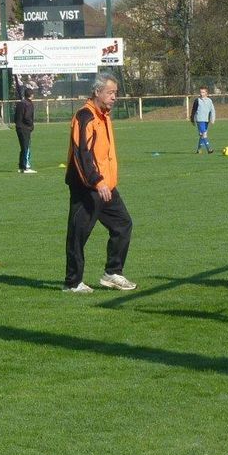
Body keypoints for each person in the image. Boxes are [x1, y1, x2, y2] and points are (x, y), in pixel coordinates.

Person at [63, 72, 136, 294]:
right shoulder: (85, 116)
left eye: (116, 93)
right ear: (97, 92)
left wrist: (107, 182)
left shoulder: (104, 116)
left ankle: (113, 273)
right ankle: (72, 283)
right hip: (89, 187)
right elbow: (82, 153)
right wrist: (97, 181)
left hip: (107, 186)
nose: (114, 97)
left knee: (123, 224)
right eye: (110, 93)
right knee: (79, 234)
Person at [13, 87, 36, 173]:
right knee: (27, 147)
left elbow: (15, 116)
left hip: (18, 128)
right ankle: (26, 166)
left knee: (23, 147)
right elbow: (27, 117)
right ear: (32, 95)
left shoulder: (20, 103)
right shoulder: (29, 104)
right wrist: (31, 125)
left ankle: (21, 166)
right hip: (25, 128)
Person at [190, 86, 216, 154]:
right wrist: (192, 119)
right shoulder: (197, 100)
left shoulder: (209, 101)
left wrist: (212, 119)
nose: (201, 93)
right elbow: (193, 110)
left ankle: (199, 150)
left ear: (206, 93)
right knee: (204, 134)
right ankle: (209, 149)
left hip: (206, 120)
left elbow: (212, 110)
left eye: (203, 92)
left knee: (202, 135)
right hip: (199, 120)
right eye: (201, 92)